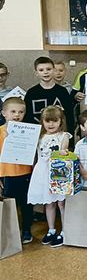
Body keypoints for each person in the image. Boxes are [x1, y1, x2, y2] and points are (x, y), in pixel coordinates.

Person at [27, 106, 71, 247]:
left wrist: (63, 152)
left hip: (58, 172)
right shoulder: (40, 136)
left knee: (61, 203)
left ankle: (65, 230)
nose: (51, 124)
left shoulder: (64, 135)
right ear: (42, 121)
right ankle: (51, 229)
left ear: (60, 121)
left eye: (54, 121)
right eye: (47, 121)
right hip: (42, 171)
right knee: (49, 203)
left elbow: (64, 148)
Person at [0, 97, 33, 243]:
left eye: (20, 112)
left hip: (25, 173)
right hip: (6, 174)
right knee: (8, 206)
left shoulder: (28, 131)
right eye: (13, 111)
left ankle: (26, 230)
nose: (17, 115)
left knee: (26, 204)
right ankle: (10, 234)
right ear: (4, 113)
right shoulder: (0, 132)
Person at [24, 56, 74, 134]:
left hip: (59, 136)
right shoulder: (31, 93)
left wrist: (70, 138)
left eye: (48, 69)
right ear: (36, 73)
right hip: (38, 135)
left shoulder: (62, 91)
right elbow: (27, 118)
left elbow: (69, 116)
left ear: (53, 70)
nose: (45, 72)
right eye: (41, 70)